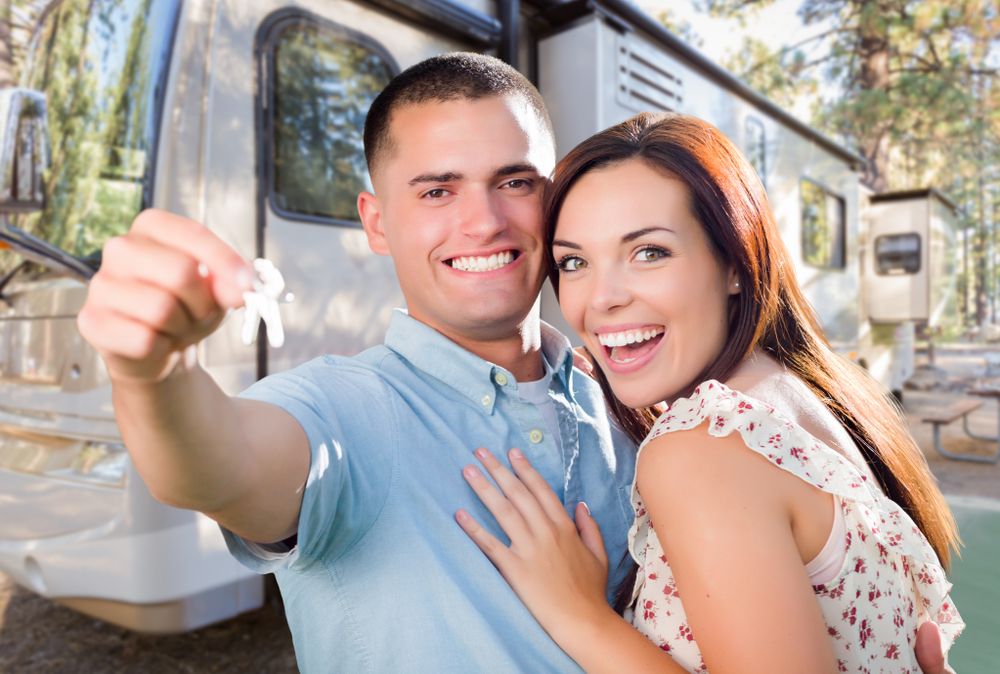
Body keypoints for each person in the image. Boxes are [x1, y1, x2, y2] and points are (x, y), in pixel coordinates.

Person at [77, 52, 953, 673]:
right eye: (436, 191)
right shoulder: (349, 406)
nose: (485, 223)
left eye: (515, 181)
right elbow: (217, 462)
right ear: (376, 221)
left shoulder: (634, 393)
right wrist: (152, 375)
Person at [457, 112, 964, 673]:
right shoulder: (806, 394)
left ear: (735, 264)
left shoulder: (705, 445)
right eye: (574, 262)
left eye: (649, 252)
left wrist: (580, 615)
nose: (600, 299)